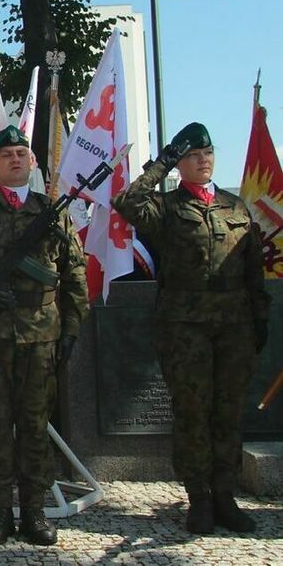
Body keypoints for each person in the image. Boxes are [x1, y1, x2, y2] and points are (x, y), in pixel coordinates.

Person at [112, 122, 269, 534]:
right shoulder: (165, 207)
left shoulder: (236, 208)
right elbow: (127, 201)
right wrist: (160, 164)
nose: (204, 160)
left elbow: (254, 268)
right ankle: (198, 498)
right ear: (181, 164)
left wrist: (260, 317)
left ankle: (225, 496)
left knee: (228, 412)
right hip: (185, 327)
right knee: (192, 413)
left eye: (208, 153)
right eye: (194, 155)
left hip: (233, 324)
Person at [0, 126, 89, 546]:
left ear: (32, 163)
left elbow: (74, 276)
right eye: (6, 154)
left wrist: (70, 331)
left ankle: (34, 512)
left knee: (34, 424)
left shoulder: (53, 212)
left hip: (41, 336)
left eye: (22, 154)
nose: (15, 159)